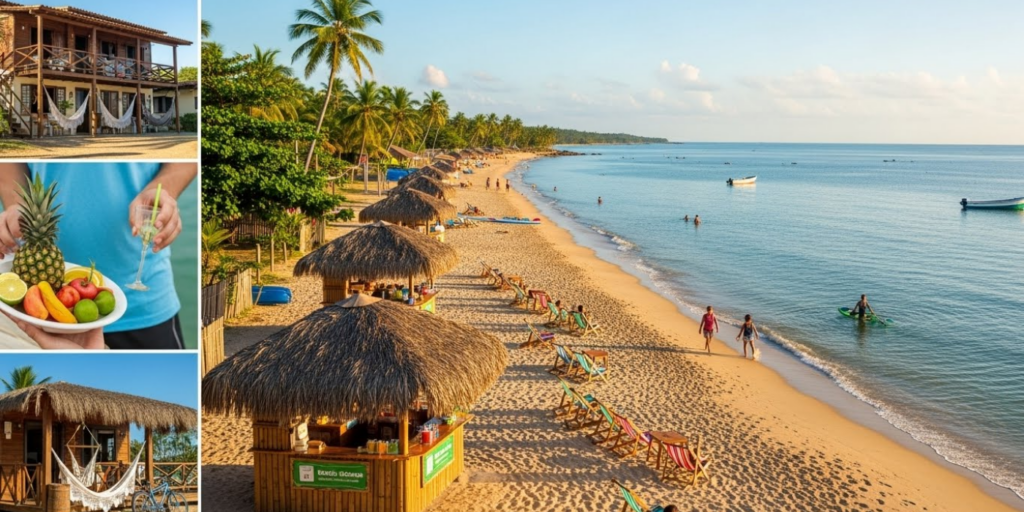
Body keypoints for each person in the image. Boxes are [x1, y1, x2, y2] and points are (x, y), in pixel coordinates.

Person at [0, 163, 197, 350]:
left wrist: (164, 190)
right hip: (33, 313)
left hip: (144, 304)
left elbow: (190, 153)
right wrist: (17, 203)